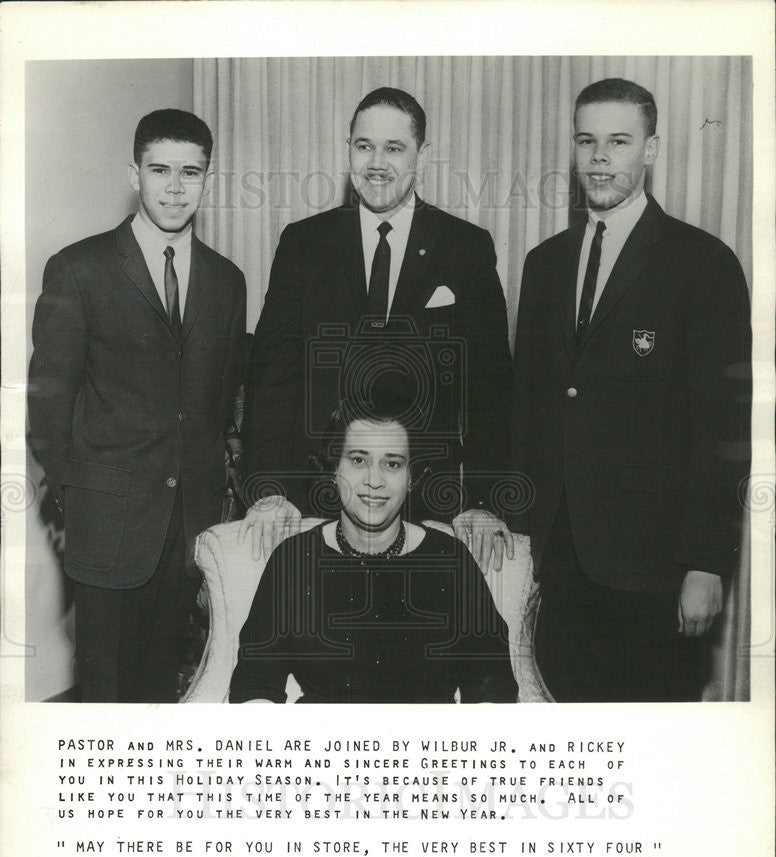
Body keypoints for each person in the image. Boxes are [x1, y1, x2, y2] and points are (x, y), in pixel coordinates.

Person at [509, 78, 751, 702]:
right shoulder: (545, 263)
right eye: (586, 141)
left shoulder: (702, 263)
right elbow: (530, 406)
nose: (599, 157)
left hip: (655, 571)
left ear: (651, 149)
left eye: (618, 141)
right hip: (559, 561)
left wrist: (706, 563)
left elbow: (723, 428)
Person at [239, 86, 514, 574]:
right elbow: (272, 380)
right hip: (315, 503)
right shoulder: (304, 243)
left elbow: (491, 389)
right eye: (364, 146)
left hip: (431, 507)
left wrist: (487, 501)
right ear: (348, 149)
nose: (376, 162)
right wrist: (270, 491)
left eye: (394, 148)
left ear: (421, 155)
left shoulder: (465, 247)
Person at [28, 109, 247, 703]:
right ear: (134, 173)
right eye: (160, 170)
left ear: (209, 179)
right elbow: (47, 403)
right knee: (103, 696)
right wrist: (79, 498)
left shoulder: (228, 282)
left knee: (163, 692)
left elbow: (219, 404)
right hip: (106, 526)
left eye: (190, 172)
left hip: (187, 530)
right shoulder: (79, 268)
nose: (175, 187)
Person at [229, 391, 518, 704]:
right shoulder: (294, 559)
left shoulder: (450, 559)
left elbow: (493, 689)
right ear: (333, 468)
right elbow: (254, 689)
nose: (374, 480)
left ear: (412, 477)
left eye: (392, 464)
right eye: (358, 460)